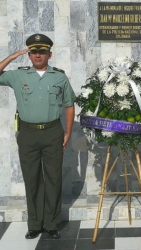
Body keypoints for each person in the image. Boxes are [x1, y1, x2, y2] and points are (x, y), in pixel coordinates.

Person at [0, 34, 76, 239]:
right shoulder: (18, 76)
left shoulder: (59, 77)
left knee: (53, 178)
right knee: (31, 179)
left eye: (42, 52)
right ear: (29, 55)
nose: (38, 55)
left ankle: (51, 224)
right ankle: (34, 224)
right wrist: (13, 56)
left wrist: (68, 132)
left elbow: (69, 105)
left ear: (49, 54)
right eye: (34, 52)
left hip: (53, 132)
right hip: (27, 134)